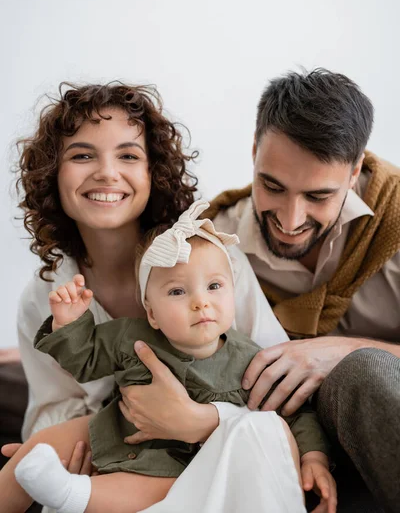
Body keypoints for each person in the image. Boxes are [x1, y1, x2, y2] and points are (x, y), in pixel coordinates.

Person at [1, 81, 300, 513]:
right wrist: (66, 446)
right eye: (82, 155)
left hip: (219, 445)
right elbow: (51, 408)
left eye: (128, 155)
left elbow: (276, 382)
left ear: (153, 171)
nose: (106, 172)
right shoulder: (45, 296)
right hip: (108, 453)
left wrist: (196, 421)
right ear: (52, 174)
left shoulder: (214, 262)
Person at [2, 200, 336, 513]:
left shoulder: (251, 362)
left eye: (215, 287)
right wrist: (69, 322)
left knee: (163, 489)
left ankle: (69, 493)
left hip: (176, 464)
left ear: (234, 292)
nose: (200, 302)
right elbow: (85, 360)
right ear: (151, 313)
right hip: (114, 430)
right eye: (178, 291)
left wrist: (315, 457)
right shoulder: (132, 336)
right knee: (39, 447)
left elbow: (294, 413)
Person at [205, 68, 400, 513]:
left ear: (353, 174)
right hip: (290, 439)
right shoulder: (214, 241)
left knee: (362, 370)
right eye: (272, 186)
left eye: (317, 196)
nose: (290, 220)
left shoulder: (396, 219)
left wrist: (338, 351)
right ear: (254, 153)